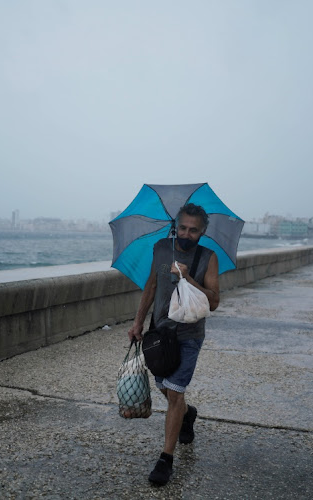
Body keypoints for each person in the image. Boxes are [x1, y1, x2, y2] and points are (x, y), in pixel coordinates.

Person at [127, 203, 220, 486]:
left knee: (175, 393)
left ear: (202, 232)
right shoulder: (161, 249)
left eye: (194, 230)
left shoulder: (208, 257)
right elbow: (151, 286)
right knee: (166, 389)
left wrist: (188, 277)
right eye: (183, 228)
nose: (187, 234)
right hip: (159, 333)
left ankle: (165, 460)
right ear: (175, 227)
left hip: (189, 336)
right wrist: (137, 322)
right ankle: (186, 414)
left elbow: (214, 302)